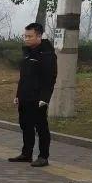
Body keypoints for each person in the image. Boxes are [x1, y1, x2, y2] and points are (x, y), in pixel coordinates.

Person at [9, 22, 57, 167]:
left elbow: (50, 78)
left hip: (38, 98)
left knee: (41, 127)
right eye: (25, 36)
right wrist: (18, 95)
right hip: (25, 96)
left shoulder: (47, 54)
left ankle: (43, 156)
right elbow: (23, 77)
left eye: (30, 36)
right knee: (25, 125)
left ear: (39, 36)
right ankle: (26, 153)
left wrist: (44, 98)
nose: (26, 39)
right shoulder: (27, 53)